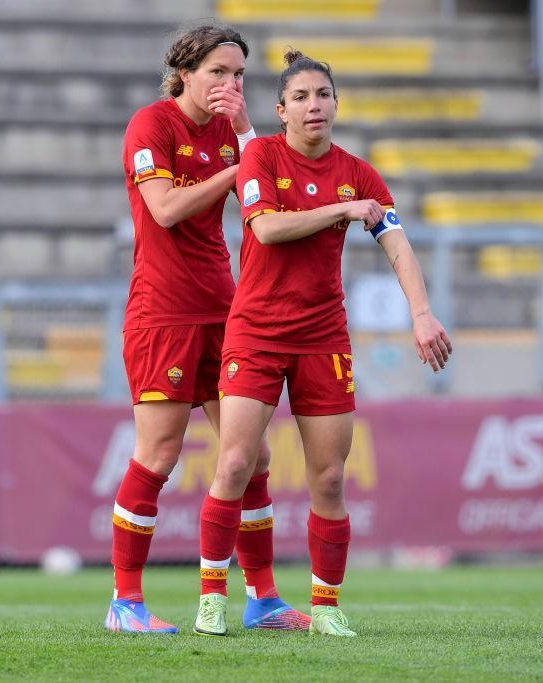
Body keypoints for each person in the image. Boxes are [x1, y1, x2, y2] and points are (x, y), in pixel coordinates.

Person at [193, 50, 453, 638]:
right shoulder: (259, 154)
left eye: (324, 95)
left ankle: (327, 606)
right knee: (235, 463)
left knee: (330, 478)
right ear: (281, 110)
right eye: (302, 97)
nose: (315, 106)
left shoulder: (360, 173)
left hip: (323, 335)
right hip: (256, 331)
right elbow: (266, 228)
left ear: (337, 105)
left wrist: (422, 314)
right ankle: (212, 594)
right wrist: (341, 208)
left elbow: (397, 244)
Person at [106, 25, 309, 634]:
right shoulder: (152, 124)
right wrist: (241, 166)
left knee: (252, 454)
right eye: (218, 72)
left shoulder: (232, 132)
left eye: (239, 74)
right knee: (161, 452)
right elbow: (165, 210)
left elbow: (272, 187)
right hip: (162, 312)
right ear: (185, 72)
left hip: (226, 310)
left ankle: (263, 599)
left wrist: (247, 135)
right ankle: (125, 603)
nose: (229, 84)